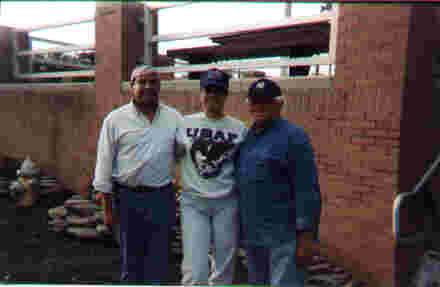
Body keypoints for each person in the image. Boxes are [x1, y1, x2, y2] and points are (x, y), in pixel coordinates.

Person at [92, 66, 183, 284]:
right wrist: (107, 210)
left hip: (161, 198)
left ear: (160, 86)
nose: (148, 87)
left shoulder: (174, 118)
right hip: (127, 199)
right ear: (131, 86)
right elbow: (104, 165)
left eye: (153, 82)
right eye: (141, 82)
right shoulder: (115, 120)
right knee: (131, 263)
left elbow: (185, 154)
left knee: (159, 261)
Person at [235, 78, 321, 287]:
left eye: (266, 102)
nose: (259, 107)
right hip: (255, 237)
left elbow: (307, 189)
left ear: (279, 104)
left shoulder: (294, 137)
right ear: (248, 105)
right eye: (254, 102)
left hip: (285, 238)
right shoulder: (247, 137)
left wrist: (306, 236)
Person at [176, 68, 247, 285]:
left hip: (226, 203)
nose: (212, 96)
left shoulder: (239, 129)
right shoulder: (184, 124)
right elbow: (169, 154)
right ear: (200, 93)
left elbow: (243, 166)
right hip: (194, 203)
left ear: (226, 95)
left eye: (218, 91)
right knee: (195, 270)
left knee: (224, 269)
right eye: (208, 90)